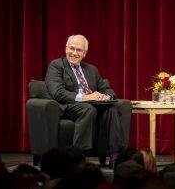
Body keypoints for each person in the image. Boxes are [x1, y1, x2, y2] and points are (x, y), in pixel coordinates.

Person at [45, 34, 128, 169]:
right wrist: (85, 98)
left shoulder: (91, 69)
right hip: (69, 105)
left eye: (79, 50)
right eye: (72, 48)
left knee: (111, 109)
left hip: (91, 105)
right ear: (66, 49)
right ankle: (78, 157)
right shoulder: (56, 65)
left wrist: (107, 97)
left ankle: (116, 156)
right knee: (88, 109)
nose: (74, 53)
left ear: (84, 53)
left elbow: (106, 88)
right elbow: (58, 93)